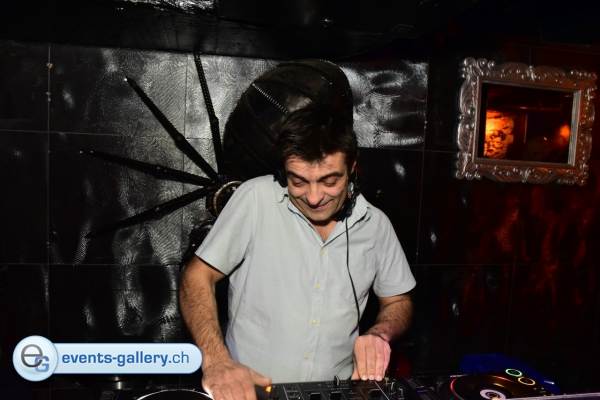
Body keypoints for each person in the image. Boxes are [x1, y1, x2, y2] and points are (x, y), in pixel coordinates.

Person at [179, 104, 416, 400]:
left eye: (330, 181)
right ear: (283, 171)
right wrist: (216, 361)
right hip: (250, 392)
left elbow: (399, 301)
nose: (314, 198)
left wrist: (379, 334)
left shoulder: (376, 225)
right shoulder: (256, 199)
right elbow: (196, 277)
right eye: (298, 181)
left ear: (352, 166)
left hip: (336, 393)